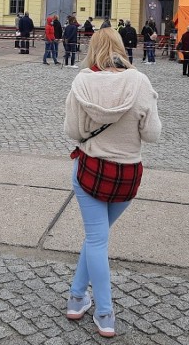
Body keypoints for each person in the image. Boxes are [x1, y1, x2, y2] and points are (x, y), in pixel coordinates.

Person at [64, 27, 161, 338]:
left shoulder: (81, 82)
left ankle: (102, 311)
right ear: (121, 47)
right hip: (127, 175)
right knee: (98, 238)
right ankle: (79, 299)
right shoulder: (140, 81)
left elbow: (73, 132)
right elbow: (152, 134)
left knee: (96, 240)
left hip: (91, 170)